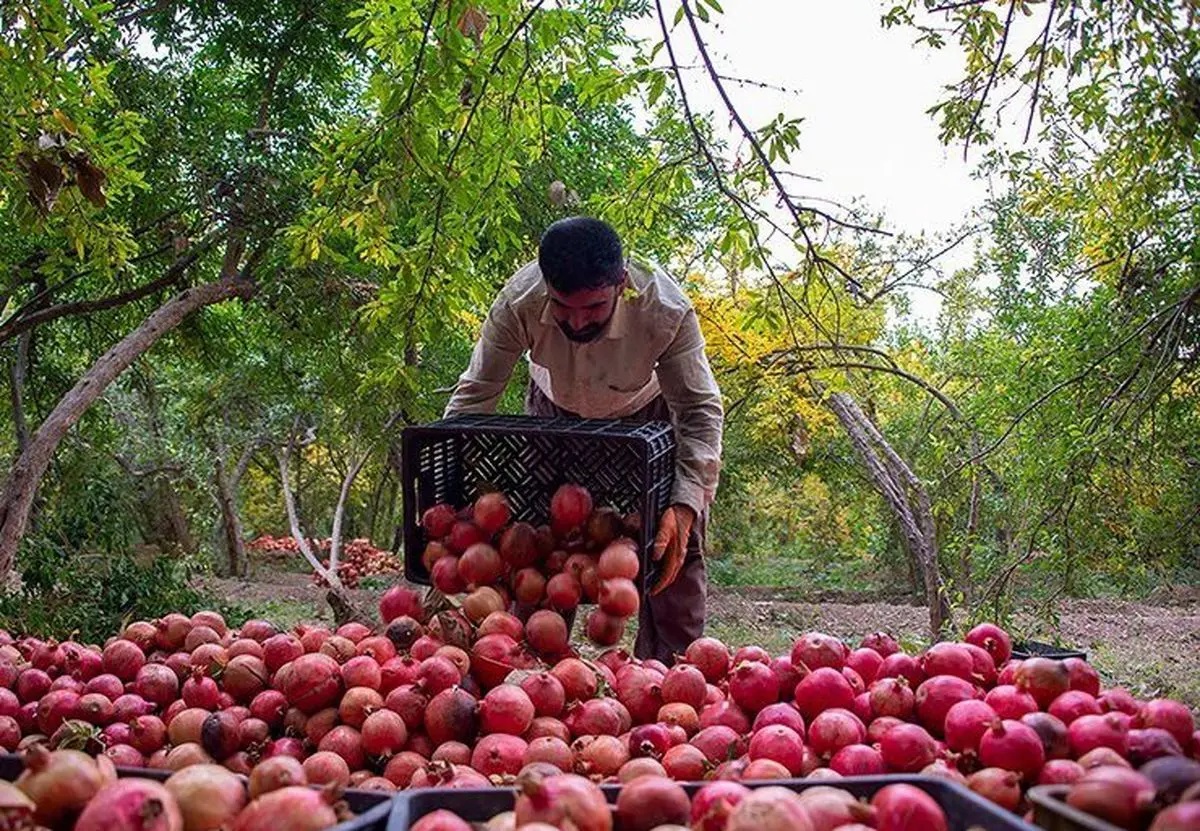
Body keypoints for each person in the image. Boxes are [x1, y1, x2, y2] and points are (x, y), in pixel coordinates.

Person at [443, 216, 724, 663]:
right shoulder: (519, 301)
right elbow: (477, 392)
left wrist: (688, 504)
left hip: (645, 415)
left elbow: (698, 409)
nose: (576, 322)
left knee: (672, 547)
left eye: (592, 307)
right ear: (546, 288)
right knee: (538, 543)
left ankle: (671, 674)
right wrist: (451, 490)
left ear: (621, 284)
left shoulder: (664, 308)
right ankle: (533, 670)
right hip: (555, 411)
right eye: (562, 306)